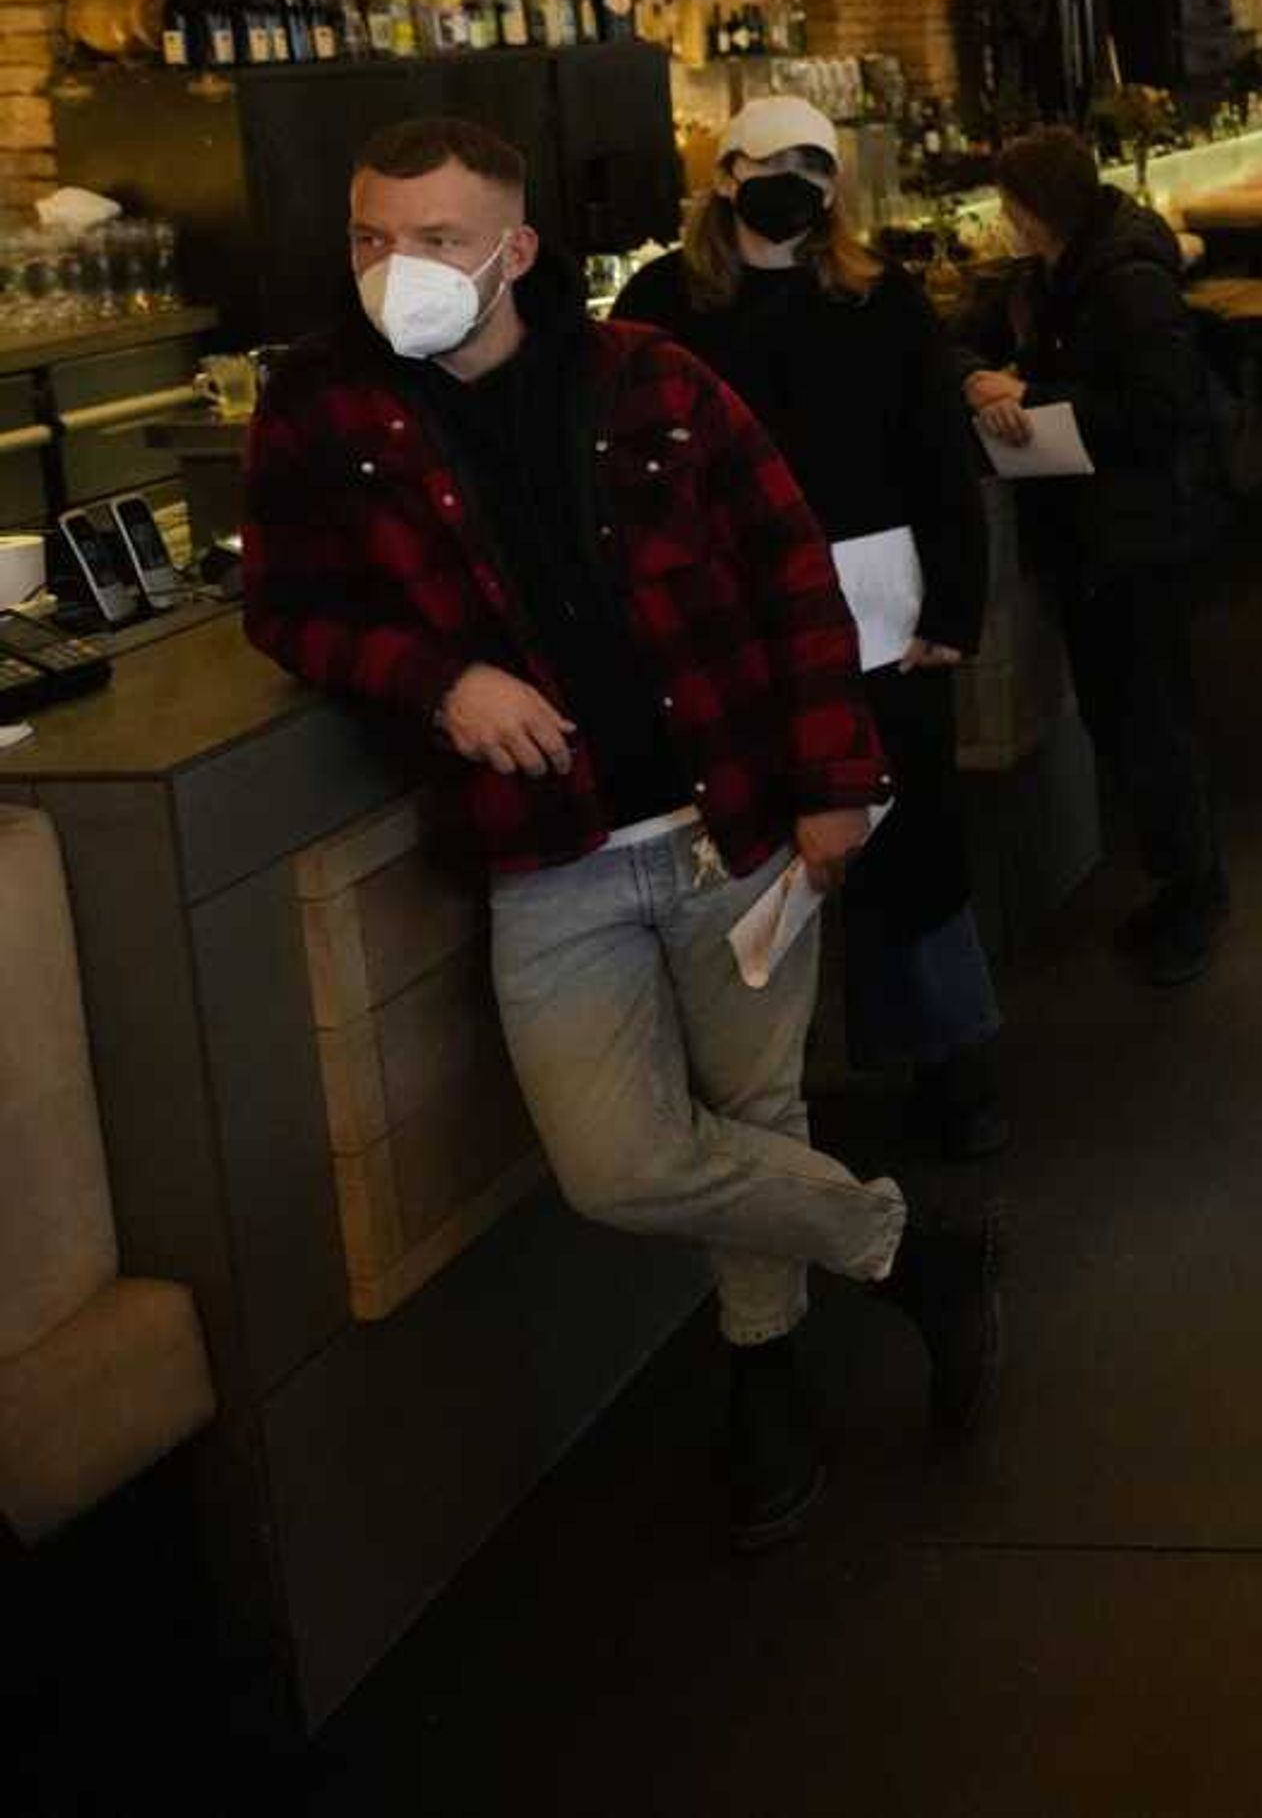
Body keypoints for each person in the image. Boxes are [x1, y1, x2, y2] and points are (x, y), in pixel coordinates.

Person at [243, 117, 1003, 1554]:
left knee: (757, 1111)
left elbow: (792, 573)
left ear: (516, 251)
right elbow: (287, 607)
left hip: (736, 824)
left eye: (438, 240)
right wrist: (436, 677)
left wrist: (835, 782)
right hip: (551, 856)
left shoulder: (653, 379)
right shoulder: (321, 411)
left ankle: (764, 1381)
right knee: (619, 1161)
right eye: (369, 238)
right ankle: (915, 1251)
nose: (397, 268)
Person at [614, 96, 1007, 1159]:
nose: (793, 181)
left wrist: (959, 607)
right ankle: (773, 1088)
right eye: (771, 161)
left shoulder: (881, 298)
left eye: (813, 165)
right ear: (725, 173)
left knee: (910, 835)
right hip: (728, 612)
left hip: (880, 602)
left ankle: (943, 1059)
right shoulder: (661, 304)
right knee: (756, 842)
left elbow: (937, 455)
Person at [956, 132, 1233, 986]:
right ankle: (1177, 879)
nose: (1001, 221)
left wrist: (1031, 397)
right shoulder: (1050, 276)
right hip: (1095, 533)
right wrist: (979, 380)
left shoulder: (1125, 282)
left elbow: (1162, 407)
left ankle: (1193, 891)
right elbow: (963, 339)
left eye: (1009, 206)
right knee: (1125, 716)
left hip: (1137, 535)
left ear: (1036, 211)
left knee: (1148, 717)